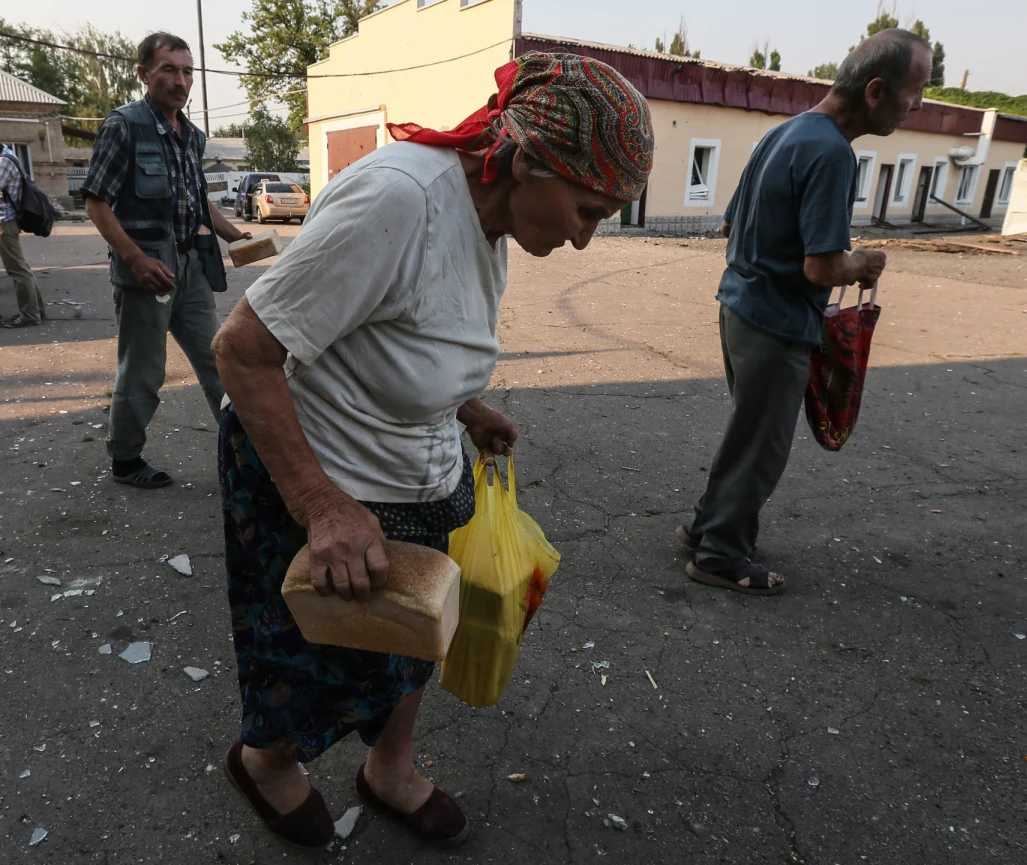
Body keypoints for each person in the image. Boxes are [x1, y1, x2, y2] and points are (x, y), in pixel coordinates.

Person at [211, 52, 653, 849]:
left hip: (416, 470)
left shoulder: (490, 212)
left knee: (414, 639)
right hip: (322, 468)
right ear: (525, 162)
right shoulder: (400, 200)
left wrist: (465, 407)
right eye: (588, 210)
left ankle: (389, 769)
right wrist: (320, 506)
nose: (585, 239)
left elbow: (400, 330)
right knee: (310, 652)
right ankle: (264, 762)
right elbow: (243, 350)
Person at [679, 29, 931, 595]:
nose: (917, 105)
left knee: (746, 435)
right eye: (915, 91)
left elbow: (729, 223)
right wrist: (862, 263)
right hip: (775, 324)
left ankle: (705, 530)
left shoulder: (785, 132)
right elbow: (821, 268)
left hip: (739, 308)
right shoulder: (832, 152)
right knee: (761, 449)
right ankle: (720, 556)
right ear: (875, 91)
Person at [81, 32, 252, 489]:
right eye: (169, 70)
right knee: (143, 371)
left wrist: (233, 235)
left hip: (191, 268)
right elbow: (96, 202)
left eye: (187, 71)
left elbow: (196, 198)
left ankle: (246, 454)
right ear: (144, 74)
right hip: (148, 274)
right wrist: (136, 259)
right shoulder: (125, 126)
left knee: (221, 359)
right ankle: (125, 459)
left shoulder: (191, 136)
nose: (181, 81)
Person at [0, 143, 48, 328]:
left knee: (18, 270)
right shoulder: (8, 153)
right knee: (21, 268)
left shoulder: (4, 161)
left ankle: (30, 315)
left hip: (4, 222)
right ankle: (37, 310)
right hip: (7, 221)